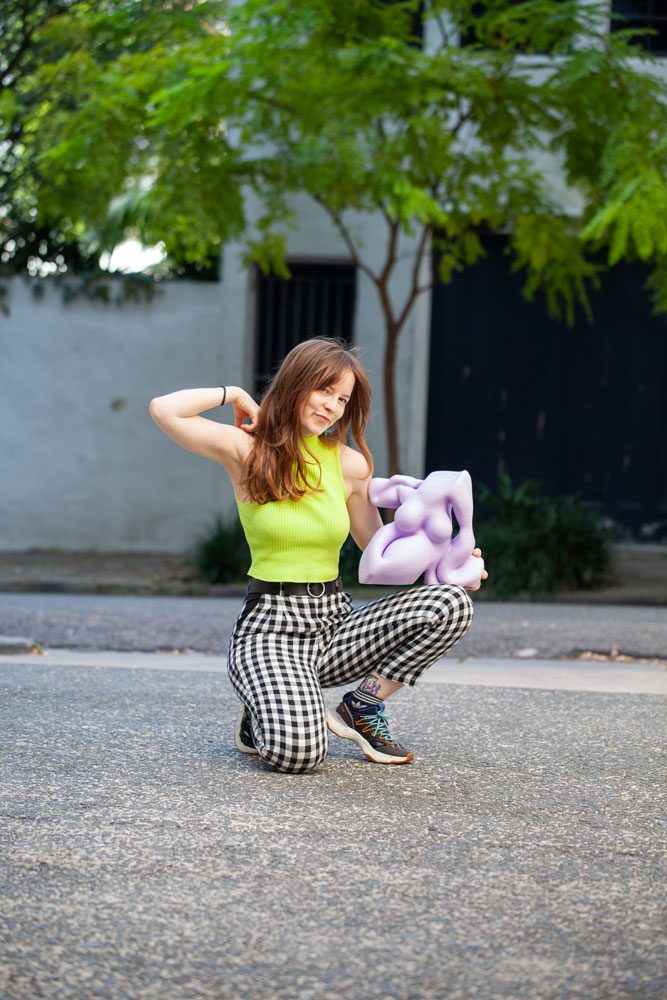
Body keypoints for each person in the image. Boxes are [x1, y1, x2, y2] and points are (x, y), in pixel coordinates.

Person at [149, 337, 486, 773]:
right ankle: (261, 710)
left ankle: (361, 707)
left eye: (343, 399)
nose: (332, 406)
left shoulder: (348, 464)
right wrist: (234, 394)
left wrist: (449, 566)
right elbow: (163, 409)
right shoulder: (246, 449)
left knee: (451, 604)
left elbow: (376, 548)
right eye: (324, 390)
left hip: (333, 625)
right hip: (269, 631)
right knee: (301, 754)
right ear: (295, 384)